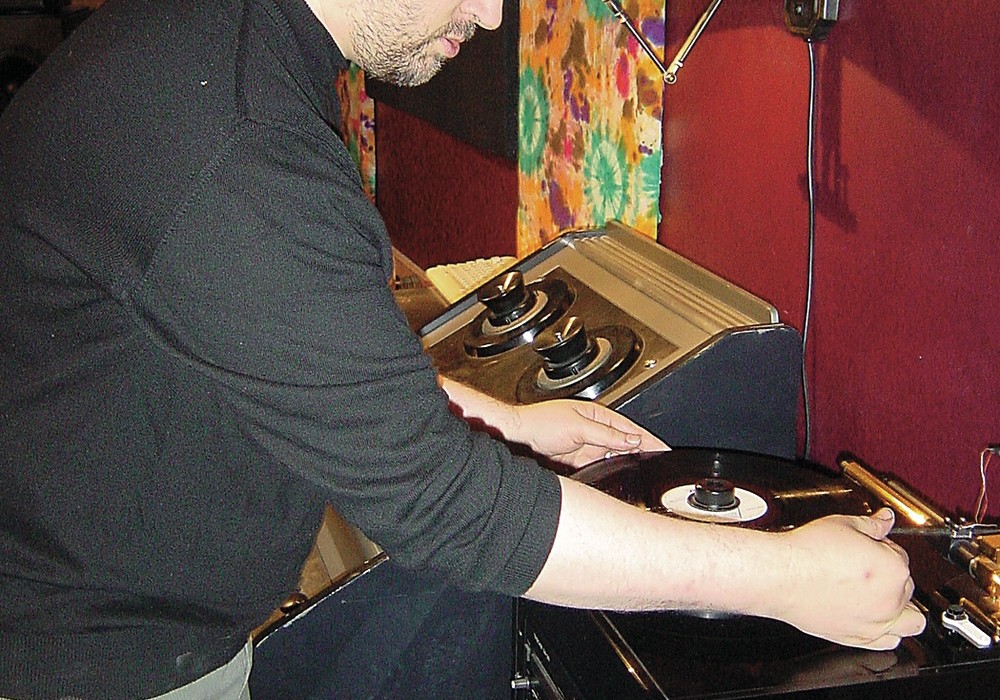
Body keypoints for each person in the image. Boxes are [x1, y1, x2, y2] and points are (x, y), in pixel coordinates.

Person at [0, 0, 925, 698]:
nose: (489, 15)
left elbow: (259, 355)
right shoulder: (237, 147)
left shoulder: (202, 47)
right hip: (96, 660)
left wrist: (497, 420)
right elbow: (448, 511)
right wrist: (791, 577)